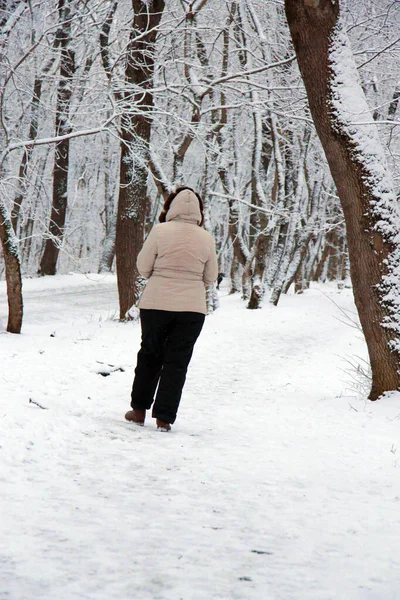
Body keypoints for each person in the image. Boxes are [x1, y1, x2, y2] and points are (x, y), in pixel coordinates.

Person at [125, 186, 218, 431]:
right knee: (177, 362)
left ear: (171, 207)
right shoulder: (206, 237)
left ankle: (138, 410)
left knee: (150, 355)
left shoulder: (160, 231)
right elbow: (210, 277)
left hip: (156, 305)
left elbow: (143, 268)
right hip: (192, 310)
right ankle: (164, 418)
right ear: (199, 210)